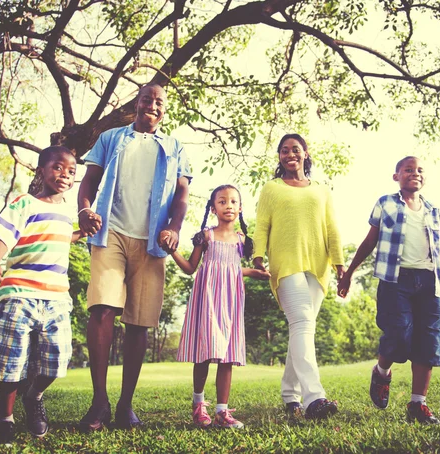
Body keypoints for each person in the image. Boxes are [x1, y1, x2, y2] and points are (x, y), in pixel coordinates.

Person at [77, 83, 192, 431]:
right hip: (109, 232)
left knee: (139, 323)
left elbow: (182, 195)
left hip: (153, 242)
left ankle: (126, 406)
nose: (152, 105)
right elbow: (89, 182)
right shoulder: (111, 138)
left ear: (164, 110)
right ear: (136, 103)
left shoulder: (175, 147)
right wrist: (84, 210)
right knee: (102, 310)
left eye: (159, 102)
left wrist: (173, 227)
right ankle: (99, 403)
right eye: (147, 99)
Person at [0, 146, 86, 444]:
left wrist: (84, 232)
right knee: (11, 361)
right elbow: (4, 233)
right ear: (41, 170)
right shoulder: (24, 203)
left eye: (71, 171)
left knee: (58, 359)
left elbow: (63, 236)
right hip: (19, 293)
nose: (64, 174)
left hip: (56, 297)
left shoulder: (67, 211)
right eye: (57, 167)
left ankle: (34, 394)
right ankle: (6, 420)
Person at [338, 156, 440, 425]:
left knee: (428, 342)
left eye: (420, 170)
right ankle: (381, 371)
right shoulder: (386, 203)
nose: (415, 173)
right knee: (398, 333)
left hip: (428, 283)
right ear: (396, 176)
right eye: (408, 170)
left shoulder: (434, 211)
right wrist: (349, 272)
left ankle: (417, 404)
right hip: (394, 280)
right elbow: (370, 240)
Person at [253, 134, 346, 420]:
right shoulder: (271, 188)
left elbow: (332, 227)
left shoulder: (322, 190)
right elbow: (262, 224)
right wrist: (258, 255)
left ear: (306, 153)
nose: (290, 154)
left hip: (318, 266)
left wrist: (340, 264)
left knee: (301, 329)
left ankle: (290, 395)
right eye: (284, 151)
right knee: (303, 323)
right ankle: (314, 398)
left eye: (295, 149)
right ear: (279, 157)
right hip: (286, 264)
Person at [170, 185, 270, 429]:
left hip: (231, 300)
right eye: (223, 201)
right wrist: (172, 252)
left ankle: (221, 412)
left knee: (227, 355)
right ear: (213, 207)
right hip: (207, 299)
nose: (229, 206)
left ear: (240, 208)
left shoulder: (242, 240)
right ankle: (198, 406)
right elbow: (191, 268)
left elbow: (232, 269)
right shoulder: (206, 236)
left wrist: (252, 272)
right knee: (204, 352)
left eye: (234, 202)